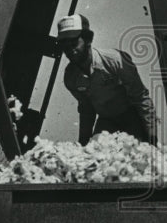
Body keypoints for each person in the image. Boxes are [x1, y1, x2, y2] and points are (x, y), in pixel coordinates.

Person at [57, 13, 158, 146]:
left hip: (131, 117)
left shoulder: (116, 60)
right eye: (65, 46)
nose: (70, 50)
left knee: (136, 152)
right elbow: (86, 109)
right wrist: (83, 143)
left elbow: (140, 97)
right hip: (106, 121)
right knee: (95, 152)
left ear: (88, 40)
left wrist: (152, 135)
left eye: (75, 43)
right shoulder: (70, 77)